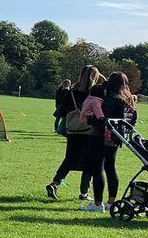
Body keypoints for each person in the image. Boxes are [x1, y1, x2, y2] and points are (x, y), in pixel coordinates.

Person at [81, 72, 138, 213]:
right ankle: (111, 201)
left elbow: (102, 118)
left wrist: (89, 120)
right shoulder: (129, 100)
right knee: (110, 168)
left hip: (100, 137)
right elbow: (133, 120)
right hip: (116, 138)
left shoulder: (111, 98)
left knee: (97, 168)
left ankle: (97, 203)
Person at [47, 67, 102, 202]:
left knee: (69, 158)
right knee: (89, 161)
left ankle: (55, 183)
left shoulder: (72, 91)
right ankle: (84, 192)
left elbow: (63, 110)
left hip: (73, 130)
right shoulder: (95, 92)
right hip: (89, 130)